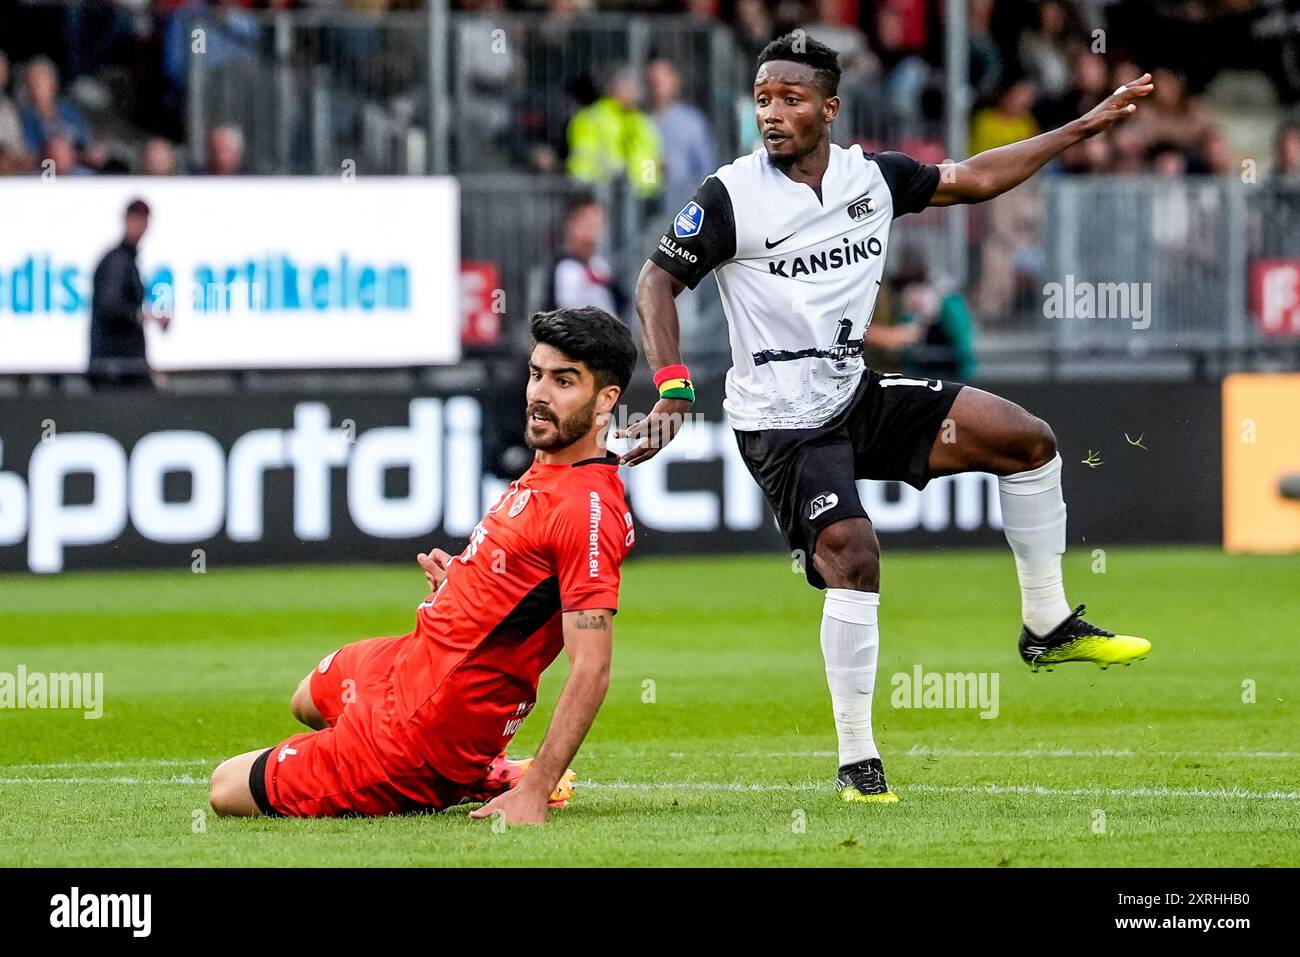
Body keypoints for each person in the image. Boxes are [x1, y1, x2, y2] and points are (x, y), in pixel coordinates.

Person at [624, 34, 1152, 804]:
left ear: (829, 109)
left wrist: (1079, 128)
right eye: (764, 97)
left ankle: (1047, 625)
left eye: (791, 98)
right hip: (781, 422)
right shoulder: (729, 195)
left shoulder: (872, 178)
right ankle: (857, 759)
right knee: (855, 552)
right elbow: (655, 282)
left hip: (854, 396)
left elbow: (972, 179)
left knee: (1029, 440)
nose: (772, 113)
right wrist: (673, 388)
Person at [210, 308, 638, 825]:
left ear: (605, 401)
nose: (539, 394)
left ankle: (459, 776)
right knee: (307, 698)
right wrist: (465, 582)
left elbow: (591, 667)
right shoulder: (554, 465)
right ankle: (477, 770)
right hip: (410, 662)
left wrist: (538, 788)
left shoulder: (584, 507)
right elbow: (525, 587)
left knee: (226, 787)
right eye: (536, 374)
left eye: (564, 381)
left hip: (421, 730)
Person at [88, 199, 169, 390]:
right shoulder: (116, 262)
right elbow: (108, 306)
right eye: (135, 218)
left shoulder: (127, 260)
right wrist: (141, 316)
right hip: (115, 370)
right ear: (125, 220)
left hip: (124, 367)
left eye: (143, 220)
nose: (139, 225)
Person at [544, 194, 625, 316]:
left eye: (598, 223)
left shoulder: (600, 266)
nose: (594, 229)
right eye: (588, 222)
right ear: (571, 225)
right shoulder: (566, 269)